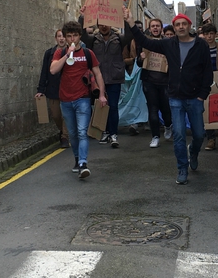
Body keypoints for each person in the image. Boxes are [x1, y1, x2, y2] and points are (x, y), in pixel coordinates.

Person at [125, 9, 213, 184]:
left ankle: (193, 152)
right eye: (177, 24)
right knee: (179, 134)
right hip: (175, 97)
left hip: (195, 97)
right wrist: (130, 22)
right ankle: (182, 168)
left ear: (189, 26)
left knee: (199, 134)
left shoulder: (200, 45)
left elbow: (207, 72)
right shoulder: (168, 44)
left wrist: (203, 95)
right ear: (174, 27)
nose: (180, 27)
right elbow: (144, 41)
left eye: (183, 24)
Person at [50, 21, 107, 179]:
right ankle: (77, 159)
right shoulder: (60, 53)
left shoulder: (88, 53)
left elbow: (98, 74)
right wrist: (67, 54)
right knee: (73, 134)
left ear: (79, 36)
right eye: (69, 36)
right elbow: (53, 70)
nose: (72, 39)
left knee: (82, 132)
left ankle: (83, 163)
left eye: (75, 35)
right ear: (66, 39)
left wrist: (102, 94)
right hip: (65, 99)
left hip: (83, 98)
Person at [80, 15, 133, 148]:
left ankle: (113, 134)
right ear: (98, 25)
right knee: (100, 106)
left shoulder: (119, 39)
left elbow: (130, 35)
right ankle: (103, 131)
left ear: (110, 24)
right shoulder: (93, 40)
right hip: (98, 78)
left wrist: (127, 20)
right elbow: (81, 34)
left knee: (113, 106)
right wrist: (82, 16)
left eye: (106, 23)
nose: (104, 26)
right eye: (101, 24)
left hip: (114, 77)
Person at [138, 18, 173, 148]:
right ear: (150, 28)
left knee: (166, 109)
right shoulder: (145, 42)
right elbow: (138, 63)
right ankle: (155, 136)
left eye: (157, 26)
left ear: (161, 28)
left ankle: (168, 126)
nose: (155, 28)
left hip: (165, 81)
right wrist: (140, 59)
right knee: (152, 108)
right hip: (149, 81)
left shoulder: (168, 43)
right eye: (153, 26)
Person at [35, 29, 70, 148]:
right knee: (56, 115)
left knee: (65, 114)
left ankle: (65, 136)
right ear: (56, 38)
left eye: (63, 36)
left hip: (67, 89)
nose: (61, 39)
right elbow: (44, 71)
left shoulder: (71, 53)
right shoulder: (49, 53)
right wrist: (40, 90)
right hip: (53, 89)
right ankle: (63, 131)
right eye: (59, 36)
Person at [200, 22, 218, 151]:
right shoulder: (199, 48)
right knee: (206, 109)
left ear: (215, 35)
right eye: (207, 34)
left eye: (211, 34)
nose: (209, 36)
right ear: (203, 35)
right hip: (204, 82)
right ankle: (211, 138)